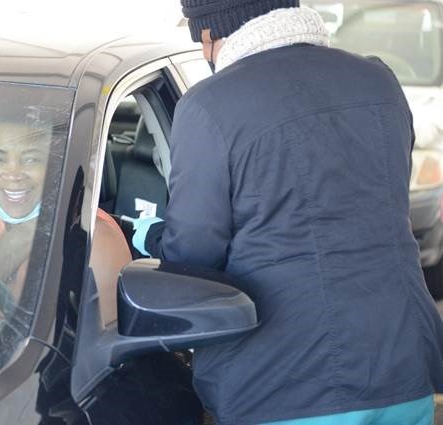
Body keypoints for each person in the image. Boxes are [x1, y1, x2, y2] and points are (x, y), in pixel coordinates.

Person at [132, 1, 443, 423]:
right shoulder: (379, 81)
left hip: (285, 381)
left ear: (207, 34)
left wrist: (144, 234)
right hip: (403, 365)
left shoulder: (210, 104)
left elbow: (192, 259)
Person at [0, 117, 130, 321]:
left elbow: (103, 352)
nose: (13, 174)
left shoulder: (93, 235)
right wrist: (27, 235)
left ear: (58, 165)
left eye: (30, 159)